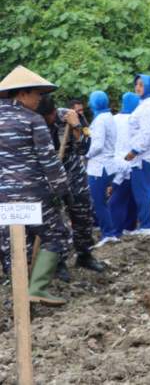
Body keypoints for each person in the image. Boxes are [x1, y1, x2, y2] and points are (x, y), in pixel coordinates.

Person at [0, 66, 72, 305]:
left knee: (14, 243)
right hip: (33, 194)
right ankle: (37, 288)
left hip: (2, 197)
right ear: (22, 94)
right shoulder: (33, 120)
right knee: (56, 235)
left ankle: (18, 296)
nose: (40, 99)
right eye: (37, 94)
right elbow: (49, 162)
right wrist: (63, 191)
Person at [36, 94, 104, 276]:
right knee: (55, 221)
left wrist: (76, 126)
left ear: (53, 111)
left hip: (73, 174)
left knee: (83, 214)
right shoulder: (33, 121)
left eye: (49, 116)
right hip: (49, 177)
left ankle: (84, 254)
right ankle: (59, 262)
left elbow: (85, 149)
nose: (47, 121)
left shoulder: (70, 116)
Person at [126, 74, 150, 236]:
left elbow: (147, 133)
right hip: (147, 154)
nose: (138, 88)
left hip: (143, 155)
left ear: (149, 87)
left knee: (143, 192)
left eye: (141, 85)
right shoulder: (147, 103)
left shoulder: (148, 106)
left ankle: (147, 226)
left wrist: (135, 150)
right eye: (136, 85)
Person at [86, 90, 119, 247]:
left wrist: (86, 154)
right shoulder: (108, 117)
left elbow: (97, 146)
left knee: (98, 202)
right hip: (109, 164)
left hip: (99, 167)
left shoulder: (100, 119)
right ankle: (109, 231)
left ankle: (108, 233)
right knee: (102, 202)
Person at [109, 92, 140, 235]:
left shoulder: (113, 119)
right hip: (135, 162)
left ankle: (116, 231)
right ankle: (130, 226)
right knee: (132, 196)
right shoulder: (137, 120)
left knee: (117, 200)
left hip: (117, 163)